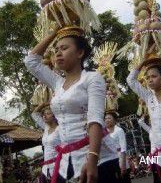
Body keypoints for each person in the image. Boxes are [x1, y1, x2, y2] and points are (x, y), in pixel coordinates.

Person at [24, 26, 106, 183]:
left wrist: (93, 157)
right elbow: (31, 61)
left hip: (93, 155)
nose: (58, 53)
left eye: (64, 48)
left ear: (80, 53)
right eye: (56, 50)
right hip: (65, 159)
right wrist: (54, 32)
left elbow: (95, 119)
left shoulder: (92, 78)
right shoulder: (57, 82)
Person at [31, 102, 60, 182]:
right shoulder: (46, 127)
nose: (44, 115)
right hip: (46, 167)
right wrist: (43, 104)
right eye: (44, 114)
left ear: (55, 116)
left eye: (48, 113)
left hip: (58, 166)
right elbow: (34, 114)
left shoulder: (60, 129)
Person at [104, 111, 131, 183]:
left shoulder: (119, 130)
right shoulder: (104, 132)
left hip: (121, 160)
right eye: (105, 118)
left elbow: (123, 148)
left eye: (109, 118)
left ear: (114, 120)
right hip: (111, 161)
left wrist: (123, 165)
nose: (107, 120)